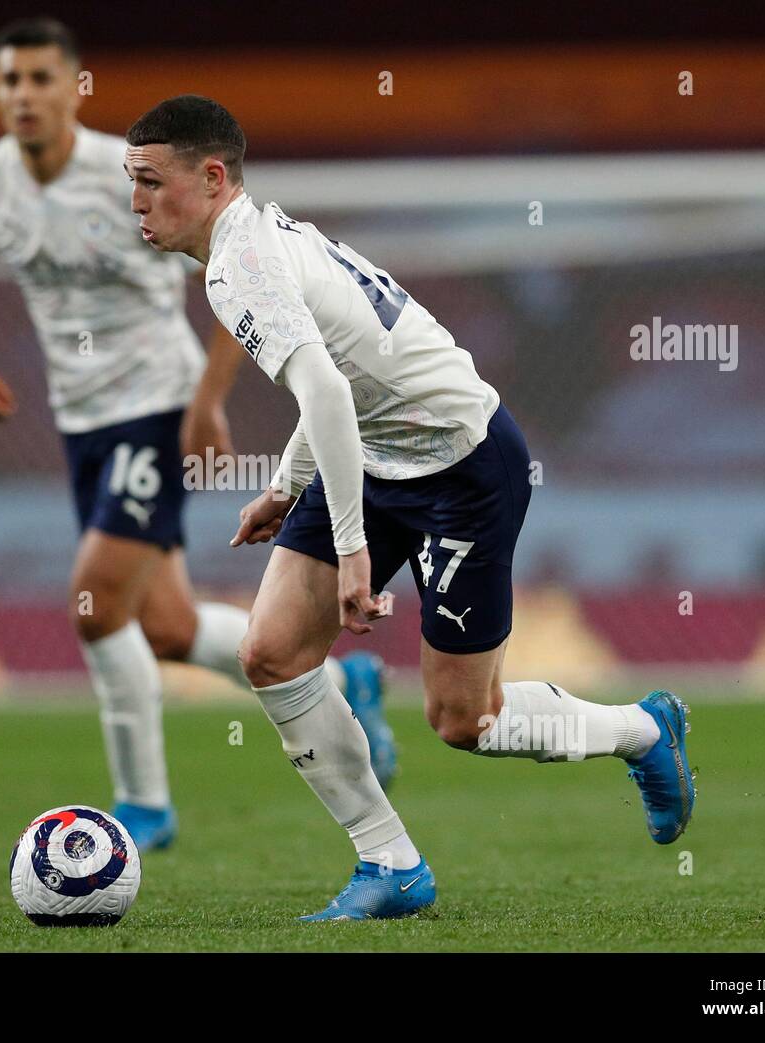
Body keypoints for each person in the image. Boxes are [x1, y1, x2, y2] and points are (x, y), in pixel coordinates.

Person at [123, 94, 695, 920]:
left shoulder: (236, 265)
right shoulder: (256, 239)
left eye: (149, 181)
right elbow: (337, 383)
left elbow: (324, 386)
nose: (135, 201)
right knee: (273, 651)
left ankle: (643, 730)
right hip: (374, 454)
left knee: (465, 719)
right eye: (130, 183)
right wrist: (288, 488)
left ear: (212, 178)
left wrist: (351, 548)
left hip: (463, 464)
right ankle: (390, 864)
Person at [0, 22, 396, 850]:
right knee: (165, 628)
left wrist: (207, 401)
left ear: (72, 86)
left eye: (42, 78)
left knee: (95, 600)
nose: (24, 96)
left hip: (154, 406)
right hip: (80, 421)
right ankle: (343, 679)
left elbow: (231, 272)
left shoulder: (134, 173)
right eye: (10, 81)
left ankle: (143, 804)